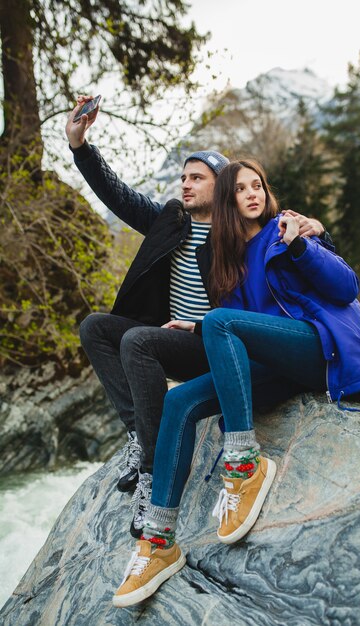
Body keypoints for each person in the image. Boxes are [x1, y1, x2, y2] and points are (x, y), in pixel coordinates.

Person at [112, 159, 360, 608]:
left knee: (220, 322)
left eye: (257, 185)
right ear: (227, 201)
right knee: (180, 400)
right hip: (277, 365)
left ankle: (244, 466)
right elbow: (245, 326)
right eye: (241, 189)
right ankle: (159, 541)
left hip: (321, 352)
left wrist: (303, 246)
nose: (253, 193)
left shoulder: (285, 231)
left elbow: (346, 287)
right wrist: (199, 327)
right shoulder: (231, 264)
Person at [65, 96, 327, 538]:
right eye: (183, 177)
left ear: (220, 185)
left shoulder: (240, 231)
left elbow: (290, 235)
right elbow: (118, 195)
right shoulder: (170, 220)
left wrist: (318, 228)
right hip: (173, 338)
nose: (185, 185)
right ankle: (138, 435)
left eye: (197, 178)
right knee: (96, 327)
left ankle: (151, 472)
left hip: (218, 345)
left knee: (138, 341)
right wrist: (79, 146)